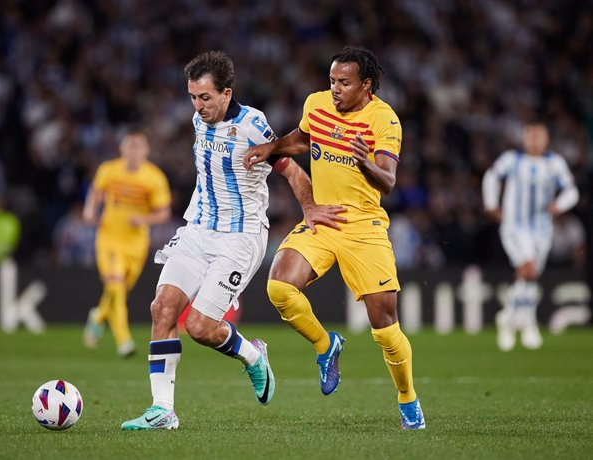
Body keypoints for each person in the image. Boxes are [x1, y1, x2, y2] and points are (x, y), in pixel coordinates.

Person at [121, 50, 344, 431]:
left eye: (205, 97)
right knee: (163, 309)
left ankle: (253, 357)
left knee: (202, 328)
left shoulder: (253, 125)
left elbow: (290, 168)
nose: (198, 105)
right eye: (192, 97)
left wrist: (309, 208)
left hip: (239, 237)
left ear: (227, 93)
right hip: (197, 230)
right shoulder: (198, 119)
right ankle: (163, 410)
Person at [243, 46, 425, 430]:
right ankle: (327, 346)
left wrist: (365, 163)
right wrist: (270, 148)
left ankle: (407, 397)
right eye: (332, 81)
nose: (335, 89)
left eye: (344, 82)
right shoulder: (317, 103)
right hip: (324, 219)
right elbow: (300, 139)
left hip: (363, 226)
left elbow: (388, 181)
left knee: (385, 327)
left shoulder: (384, 119)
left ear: (366, 85)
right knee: (279, 287)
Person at [482, 120, 579, 351]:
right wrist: (492, 204)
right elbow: (491, 176)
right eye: (531, 135)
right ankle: (528, 322)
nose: (535, 140)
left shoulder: (554, 163)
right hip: (514, 226)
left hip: (542, 228)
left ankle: (509, 318)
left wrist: (560, 205)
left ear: (546, 138)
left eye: (539, 136)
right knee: (528, 268)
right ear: (524, 138)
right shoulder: (512, 160)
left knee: (530, 276)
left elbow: (572, 190)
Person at [82, 127, 172, 357]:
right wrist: (90, 210)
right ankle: (124, 341)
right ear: (122, 149)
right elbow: (96, 192)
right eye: (129, 146)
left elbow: (163, 213)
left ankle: (99, 315)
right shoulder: (108, 170)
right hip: (109, 237)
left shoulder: (154, 177)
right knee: (116, 285)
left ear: (146, 150)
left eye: (138, 146)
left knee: (120, 288)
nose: (133, 151)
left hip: (136, 242)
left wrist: (143, 218)